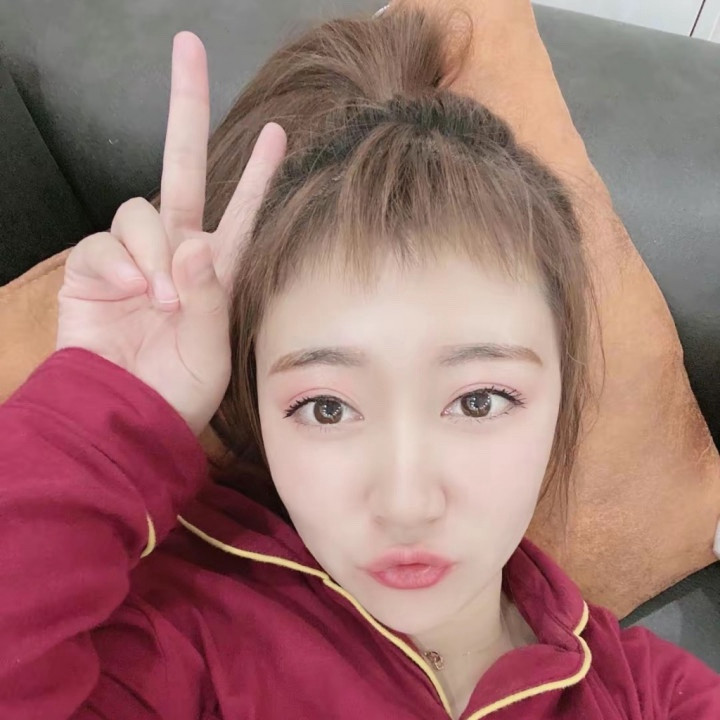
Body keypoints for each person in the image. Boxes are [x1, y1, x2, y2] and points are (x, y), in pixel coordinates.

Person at [0, 5, 718, 720]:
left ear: (562, 389)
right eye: (327, 407)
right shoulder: (175, 635)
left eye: (478, 401)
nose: (406, 505)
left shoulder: (647, 694)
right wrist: (102, 416)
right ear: (253, 401)